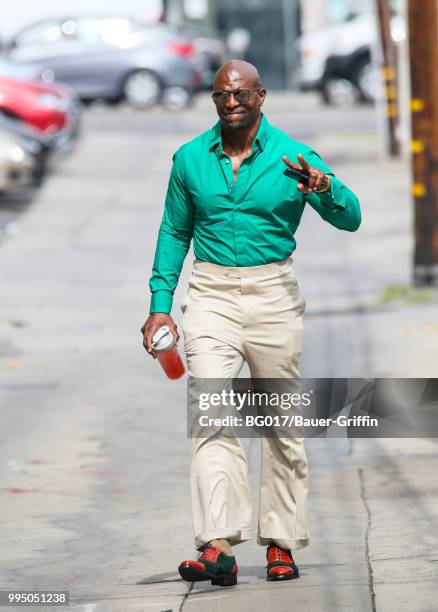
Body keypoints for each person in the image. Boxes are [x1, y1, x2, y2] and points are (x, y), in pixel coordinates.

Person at [141, 60, 361, 587]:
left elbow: (351, 217)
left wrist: (322, 187)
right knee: (211, 412)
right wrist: (159, 303)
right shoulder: (191, 158)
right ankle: (218, 543)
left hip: (273, 294)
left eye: (240, 94)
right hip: (211, 293)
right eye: (222, 96)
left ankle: (282, 543)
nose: (231, 103)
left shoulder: (294, 157)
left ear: (261, 96)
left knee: (280, 423)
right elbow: (175, 231)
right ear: (214, 101)